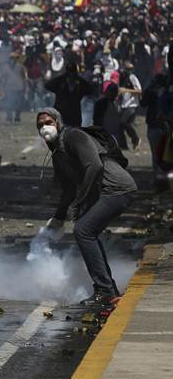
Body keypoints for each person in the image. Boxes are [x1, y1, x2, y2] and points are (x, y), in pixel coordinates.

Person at [38, 108, 136, 306]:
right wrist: (58, 218)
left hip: (117, 188)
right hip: (105, 191)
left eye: (48, 122)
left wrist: (81, 201)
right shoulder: (57, 151)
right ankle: (108, 289)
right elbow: (67, 190)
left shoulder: (73, 136)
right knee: (88, 231)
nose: (44, 128)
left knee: (83, 230)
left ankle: (105, 290)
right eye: (40, 125)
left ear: (57, 121)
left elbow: (94, 166)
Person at [45, 62, 94, 127]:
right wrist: (61, 81)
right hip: (61, 112)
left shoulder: (80, 83)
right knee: (59, 132)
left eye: (73, 73)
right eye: (70, 73)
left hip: (74, 113)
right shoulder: (60, 81)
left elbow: (91, 90)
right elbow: (47, 85)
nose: (71, 75)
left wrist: (78, 80)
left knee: (75, 133)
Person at [117, 62, 142, 150]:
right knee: (120, 125)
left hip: (132, 104)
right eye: (127, 69)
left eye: (131, 69)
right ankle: (123, 146)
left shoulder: (133, 78)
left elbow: (139, 91)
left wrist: (126, 90)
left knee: (124, 122)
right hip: (124, 105)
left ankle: (136, 139)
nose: (129, 71)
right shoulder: (123, 78)